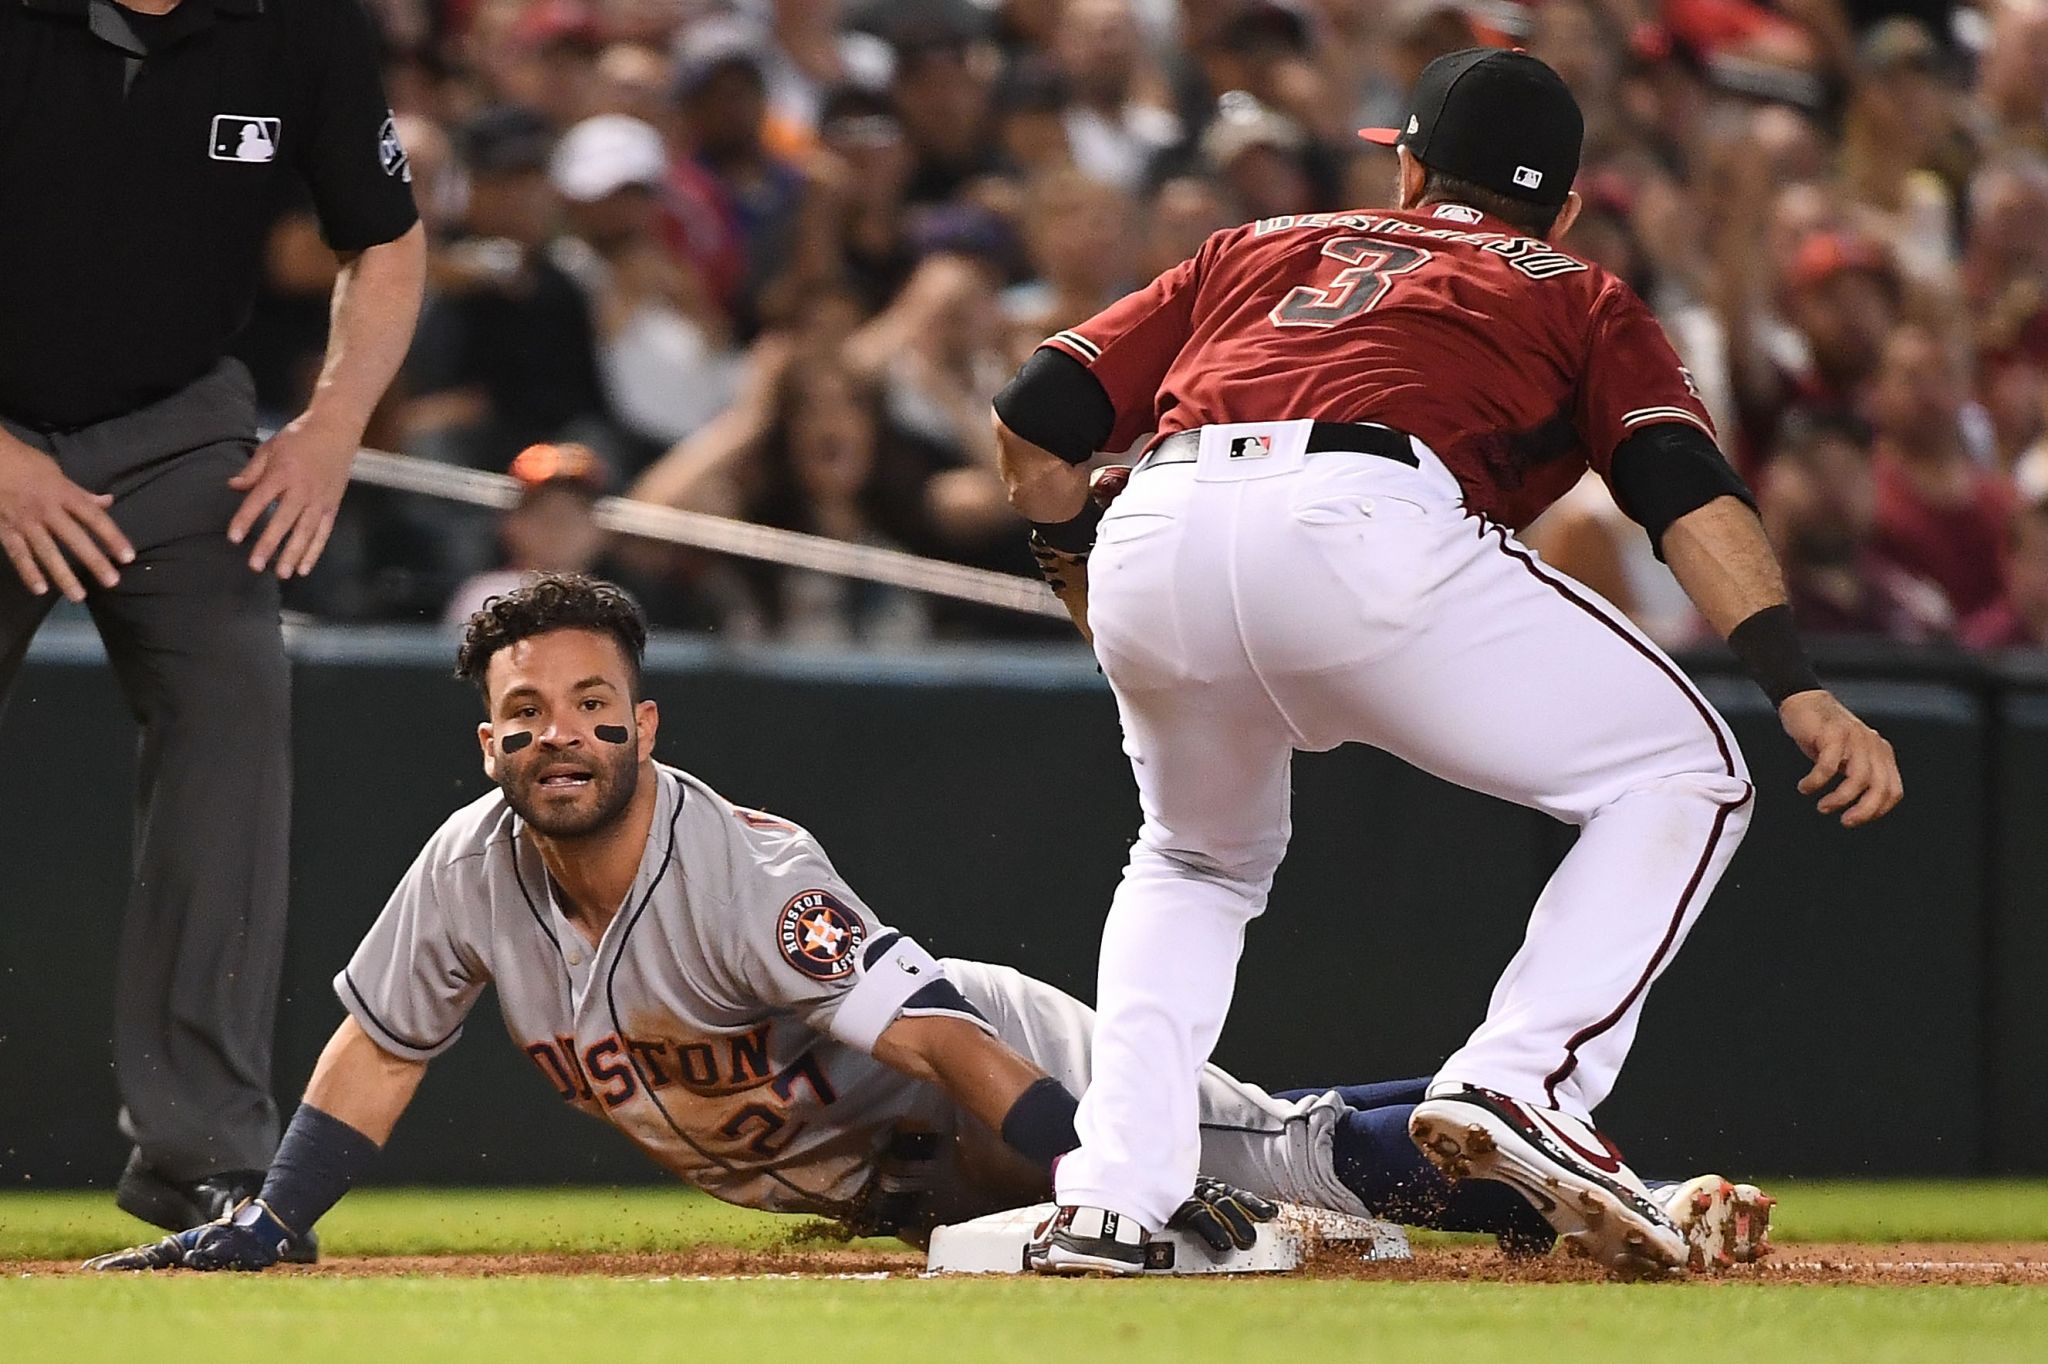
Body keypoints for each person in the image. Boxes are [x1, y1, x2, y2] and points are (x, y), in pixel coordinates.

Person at [82, 575, 1773, 1275]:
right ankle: (1430, 1193)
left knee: (1268, 1154)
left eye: (592, 703)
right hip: (887, 1178)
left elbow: (939, 1035)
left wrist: (1102, 1169)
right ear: (487, 740)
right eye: (525, 711)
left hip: (986, 1074)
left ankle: (1593, 1190)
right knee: (1255, 1198)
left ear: (645, 723)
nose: (559, 733)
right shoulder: (469, 863)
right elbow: (378, 1045)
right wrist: (280, 1217)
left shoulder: (740, 860)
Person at [992, 48, 1901, 1277]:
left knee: (1193, 858)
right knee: (1685, 773)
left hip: (1159, 515)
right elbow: (1678, 486)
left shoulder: (1260, 239)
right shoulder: (1576, 285)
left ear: (1409, 168)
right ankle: (1514, 1083)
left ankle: (1108, 1199)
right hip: (1366, 516)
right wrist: (1792, 678)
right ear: (1564, 205)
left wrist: (1075, 571)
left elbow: (1038, 406)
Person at [0, 0, 426, 1252]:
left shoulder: (300, 25)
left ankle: (206, 1157)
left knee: (233, 717)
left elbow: (387, 242)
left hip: (179, 431)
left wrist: (333, 425)